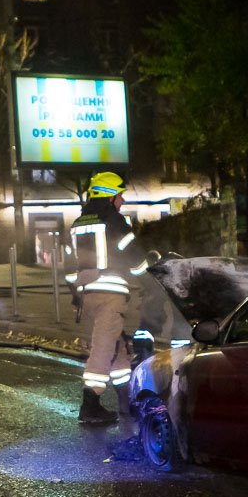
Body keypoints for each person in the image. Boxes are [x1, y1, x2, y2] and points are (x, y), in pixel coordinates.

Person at [67, 171, 151, 426]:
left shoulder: (78, 223)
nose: (122, 201)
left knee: (117, 348)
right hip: (111, 296)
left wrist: (76, 294)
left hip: (87, 295)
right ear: (109, 196)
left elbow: (70, 265)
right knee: (103, 348)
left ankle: (127, 400)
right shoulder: (114, 222)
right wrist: (150, 274)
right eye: (119, 195)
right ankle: (90, 404)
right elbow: (135, 257)